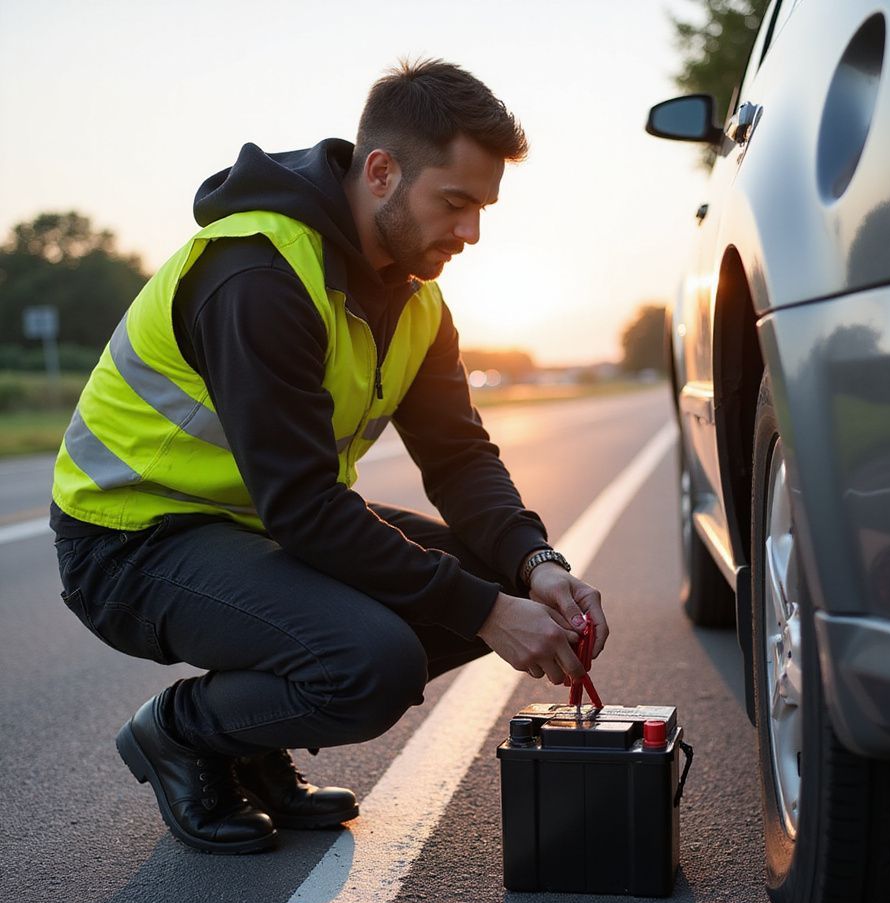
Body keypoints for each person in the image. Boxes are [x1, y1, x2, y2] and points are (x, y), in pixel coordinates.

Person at [50, 58, 609, 855]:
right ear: (381, 171)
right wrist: (487, 612)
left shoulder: (417, 296)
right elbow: (306, 507)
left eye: (483, 209)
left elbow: (458, 457)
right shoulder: (259, 275)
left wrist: (534, 567)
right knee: (373, 663)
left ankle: (250, 736)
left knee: (487, 579)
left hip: (255, 524)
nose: (471, 233)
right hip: (132, 538)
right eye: (454, 203)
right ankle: (185, 734)